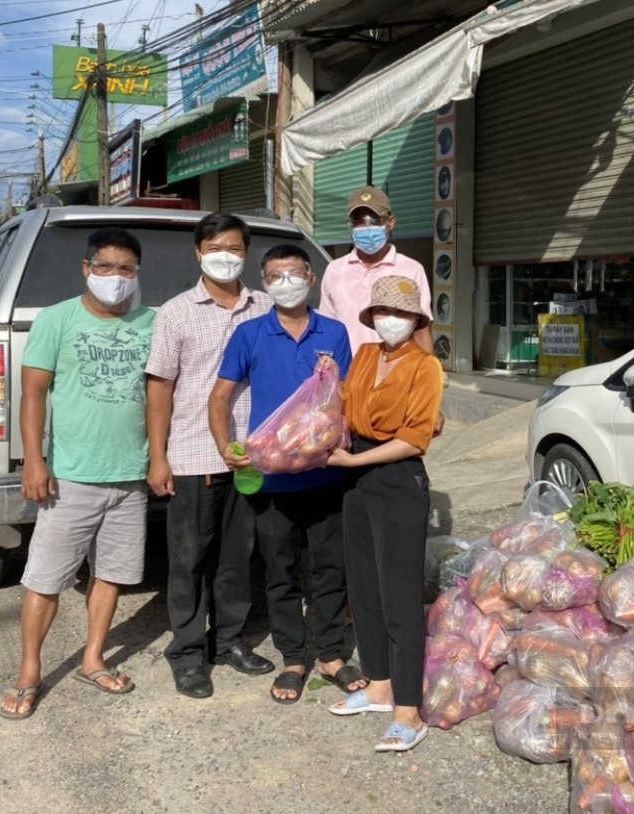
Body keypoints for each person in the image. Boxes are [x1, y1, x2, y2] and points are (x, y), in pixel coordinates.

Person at [0, 227, 152, 719]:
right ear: (86, 269)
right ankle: (28, 670)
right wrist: (34, 460)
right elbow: (33, 395)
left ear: (136, 275)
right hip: (71, 476)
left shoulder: (152, 322)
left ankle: (93, 657)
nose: (115, 277)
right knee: (45, 579)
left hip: (130, 477)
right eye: (105, 267)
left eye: (125, 269)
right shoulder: (56, 320)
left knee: (111, 574)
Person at [208, 244, 366, 705]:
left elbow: (349, 398)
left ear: (311, 279)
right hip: (273, 479)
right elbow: (220, 398)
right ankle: (293, 657)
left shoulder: (334, 332)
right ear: (264, 282)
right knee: (279, 572)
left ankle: (332, 655)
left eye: (293, 274)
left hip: (326, 475)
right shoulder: (250, 333)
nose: (285, 283)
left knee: (330, 568)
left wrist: (337, 379)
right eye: (275, 276)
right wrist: (226, 447)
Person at [145, 212, 275, 700]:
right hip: (195, 454)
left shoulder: (265, 306)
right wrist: (158, 457)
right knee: (190, 558)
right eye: (216, 247)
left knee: (238, 557)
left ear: (247, 253)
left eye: (236, 248)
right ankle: (186, 652)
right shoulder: (175, 312)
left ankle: (229, 642)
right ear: (198, 253)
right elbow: (159, 388)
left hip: (251, 456)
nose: (226, 256)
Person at [325, 276, 444, 753]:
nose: (390, 319)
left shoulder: (426, 366)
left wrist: (354, 459)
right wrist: (329, 381)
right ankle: (377, 685)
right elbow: (348, 408)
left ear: (416, 320)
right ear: (372, 318)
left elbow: (415, 438)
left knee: (398, 595)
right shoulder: (367, 356)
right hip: (357, 481)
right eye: (382, 312)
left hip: (397, 476)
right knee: (365, 587)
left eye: (401, 313)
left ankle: (409, 711)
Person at [319, 185, 444, 436]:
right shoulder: (335, 270)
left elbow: (421, 334)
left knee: (391, 456)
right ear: (350, 225)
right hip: (345, 383)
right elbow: (326, 331)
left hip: (394, 383)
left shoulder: (411, 269)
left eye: (373, 220)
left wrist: (431, 399)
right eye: (358, 221)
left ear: (390, 222)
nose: (366, 228)